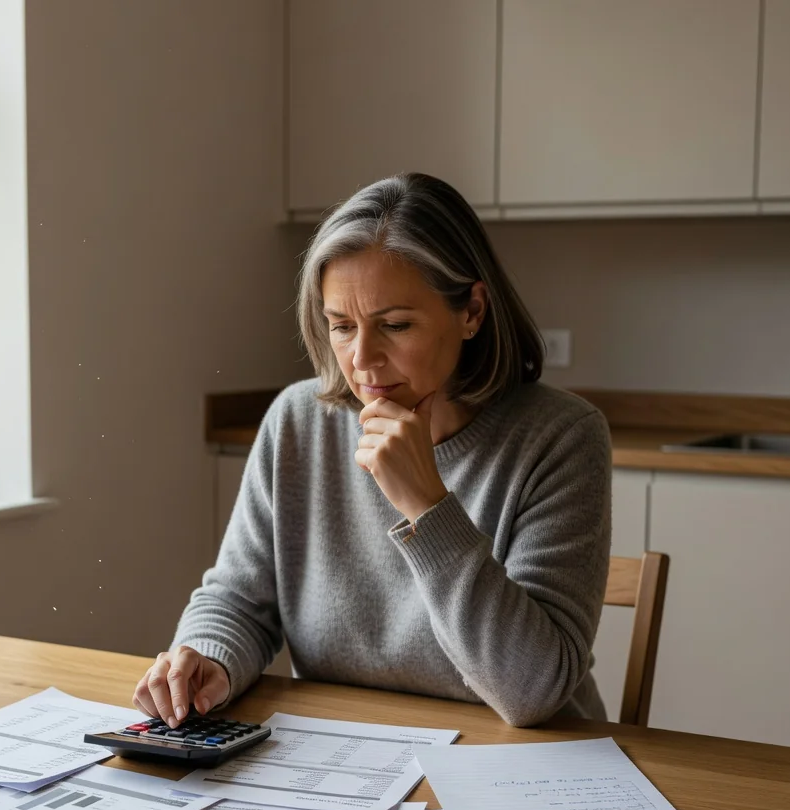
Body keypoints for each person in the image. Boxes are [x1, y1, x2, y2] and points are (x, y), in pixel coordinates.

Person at [133, 172, 611, 729]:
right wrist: (207, 655)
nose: (361, 358)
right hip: (354, 764)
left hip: (529, 769)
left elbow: (533, 692)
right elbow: (240, 600)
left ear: (472, 312)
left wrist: (429, 508)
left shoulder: (561, 438)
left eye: (396, 325)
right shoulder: (297, 421)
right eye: (341, 326)